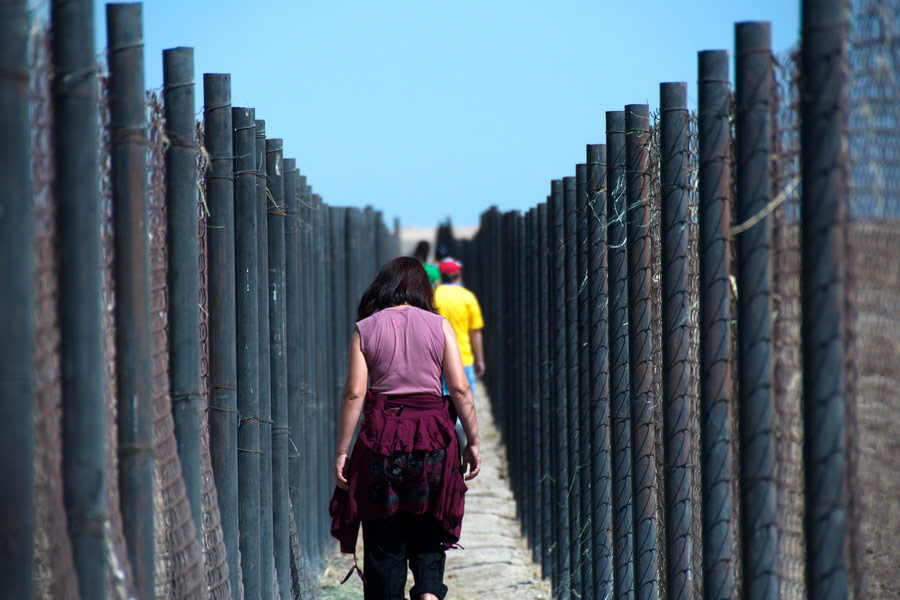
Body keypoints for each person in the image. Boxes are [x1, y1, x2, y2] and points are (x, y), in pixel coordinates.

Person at [329, 256, 481, 600]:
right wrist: (472, 441)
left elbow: (355, 393)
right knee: (429, 526)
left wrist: (342, 451)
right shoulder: (439, 325)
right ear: (423, 289)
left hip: (382, 440)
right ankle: (428, 592)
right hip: (433, 437)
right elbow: (459, 389)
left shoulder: (366, 328)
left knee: (384, 536)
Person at [433, 258, 485, 396]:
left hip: (439, 360)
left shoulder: (433, 297)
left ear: (441, 275)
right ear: (459, 275)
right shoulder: (468, 297)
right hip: (464, 358)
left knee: (443, 404)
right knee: (465, 404)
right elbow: (475, 332)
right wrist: (479, 359)